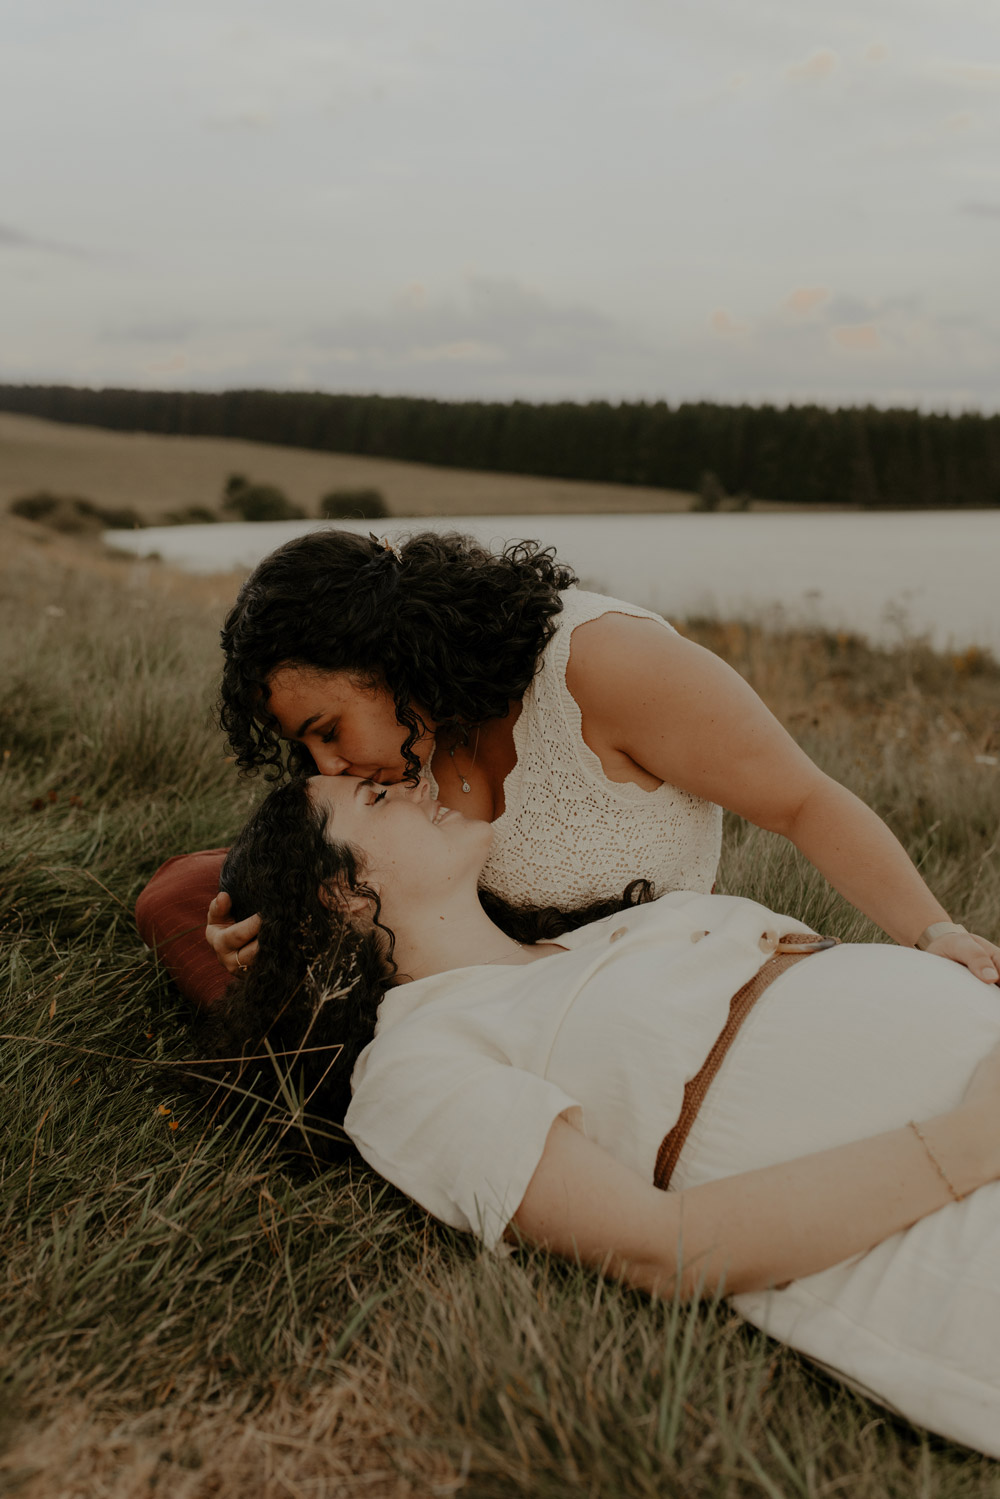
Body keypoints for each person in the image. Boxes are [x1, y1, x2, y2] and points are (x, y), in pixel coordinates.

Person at [202, 771, 1000, 1459]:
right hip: (958, 1207)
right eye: (376, 797)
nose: (417, 782)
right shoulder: (416, 1062)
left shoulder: (601, 930)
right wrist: (974, 1137)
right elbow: (666, 1248)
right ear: (337, 889)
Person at [135, 530, 1000, 1003]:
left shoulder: (605, 666)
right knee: (183, 899)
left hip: (626, 985)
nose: (325, 762)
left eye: (328, 728)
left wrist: (934, 933)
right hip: (457, 969)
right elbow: (362, 869)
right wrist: (253, 933)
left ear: (389, 653)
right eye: (307, 747)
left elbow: (805, 802)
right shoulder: (390, 759)